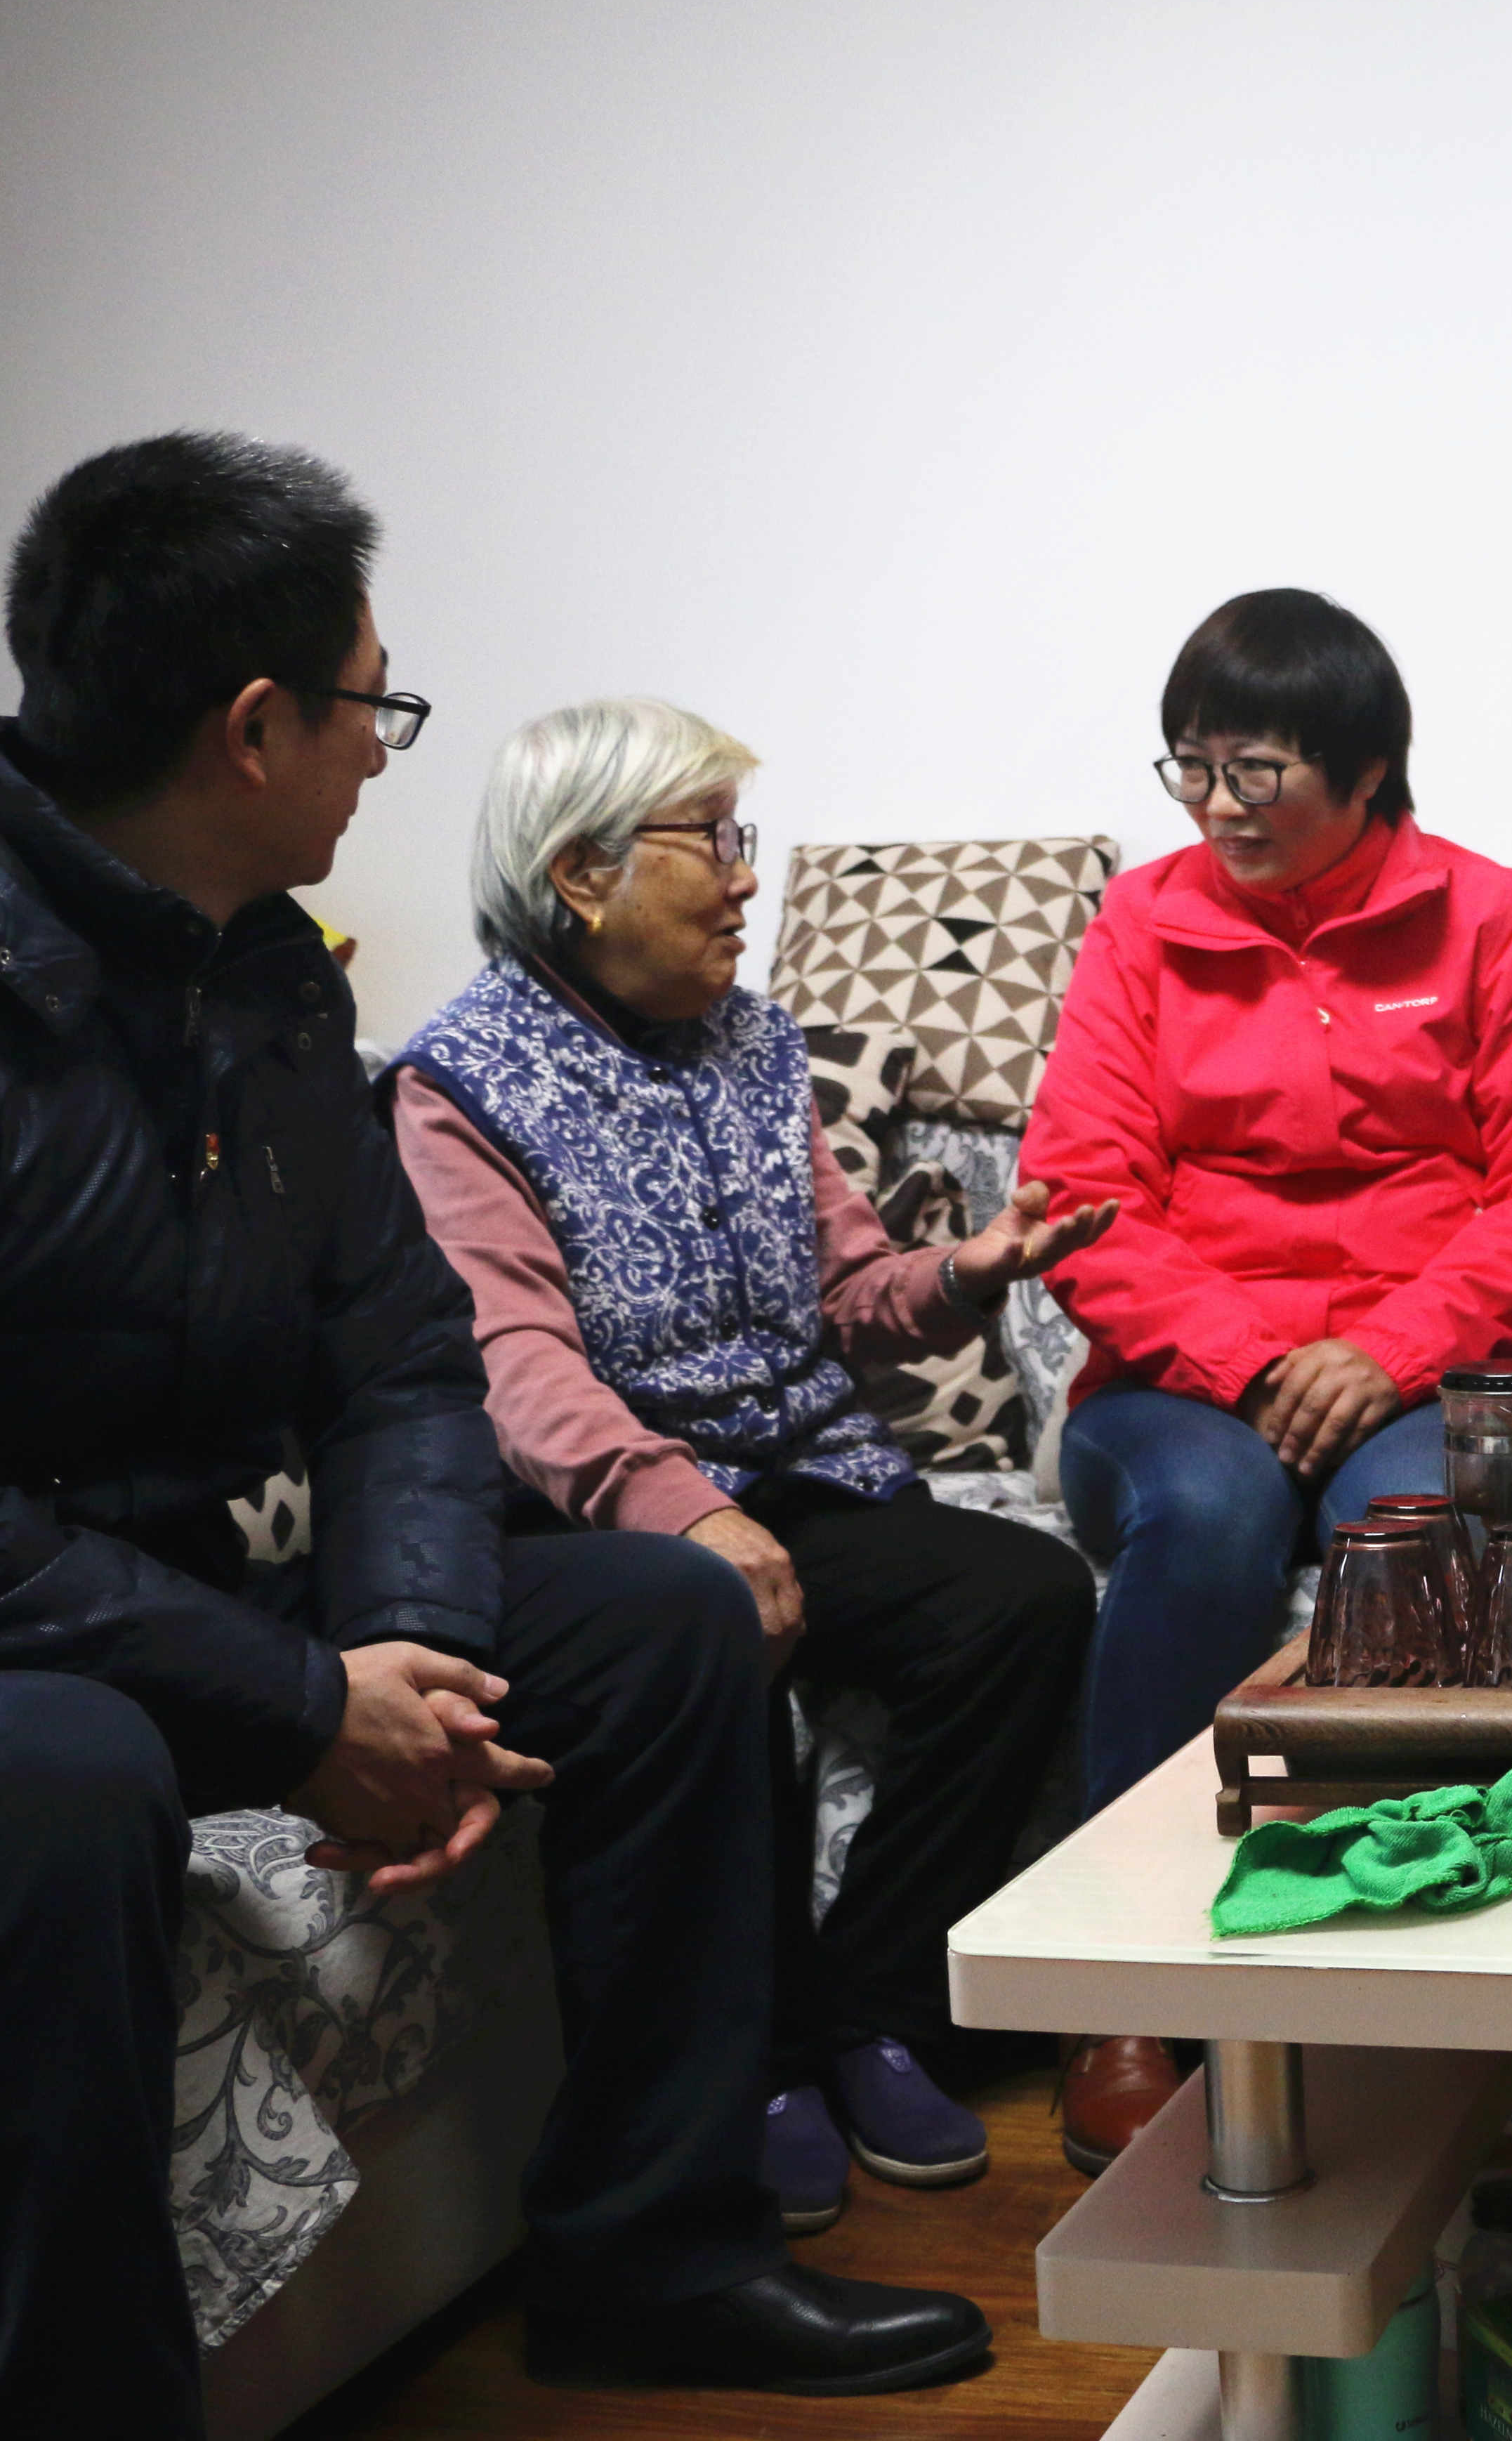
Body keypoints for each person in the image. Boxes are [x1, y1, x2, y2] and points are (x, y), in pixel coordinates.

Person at [0, 435, 992, 2435]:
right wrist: (298, 1708)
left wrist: (410, 1657)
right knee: (45, 1776)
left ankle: (658, 2257)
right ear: (254, 727)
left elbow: (405, 1367)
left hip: (201, 1604)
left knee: (663, 1622)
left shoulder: (268, 982)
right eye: (375, 704)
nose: (385, 751)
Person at [388, 698, 1104, 2238]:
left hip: (801, 1472)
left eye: (740, 837)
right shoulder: (461, 1086)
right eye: (709, 842)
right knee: (707, 1633)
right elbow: (518, 1370)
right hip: (601, 1515)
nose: (744, 878)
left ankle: (876, 2011)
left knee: (1025, 1599)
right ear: (581, 874)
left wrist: (966, 1273)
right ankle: (769, 2064)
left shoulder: (756, 1044)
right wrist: (687, 1512)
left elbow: (848, 1295)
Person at [1015, 588, 1512, 2164]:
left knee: (1413, 1523)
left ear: (1366, 774)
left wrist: (1392, 1349)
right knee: (1209, 1518)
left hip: (1417, 1370)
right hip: (1179, 1376)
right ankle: (1125, 1983)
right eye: (1192, 766)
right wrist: (1259, 1357)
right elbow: (1081, 1196)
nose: (1218, 806)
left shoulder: (1484, 914)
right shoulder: (1143, 923)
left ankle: (1376, 1958)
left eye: (1257, 771)